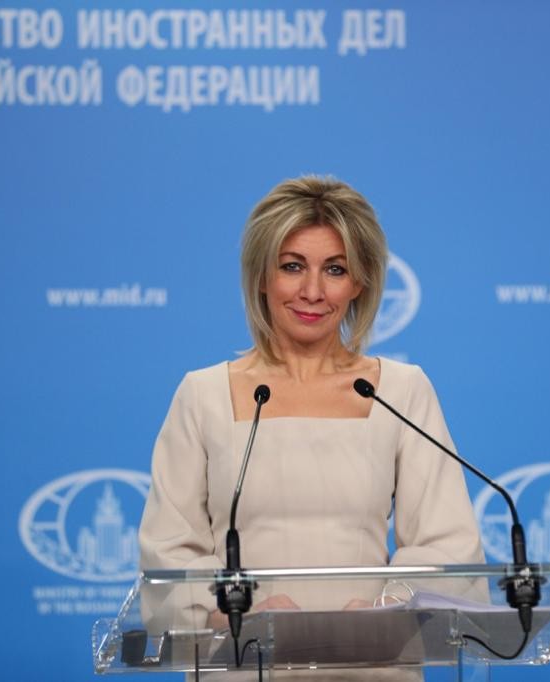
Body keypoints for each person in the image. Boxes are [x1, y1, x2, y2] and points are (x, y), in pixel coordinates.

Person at [137, 176, 487, 672]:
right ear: (261, 276)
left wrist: (386, 609)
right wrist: (242, 613)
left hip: (371, 664)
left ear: (360, 282)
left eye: (335, 269)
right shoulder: (203, 395)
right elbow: (168, 554)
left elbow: (448, 545)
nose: (312, 291)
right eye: (292, 266)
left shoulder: (401, 391)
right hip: (242, 663)